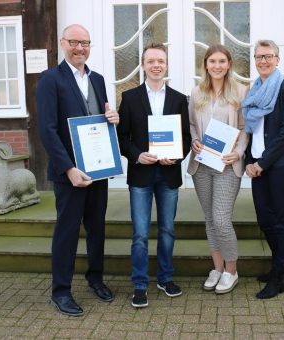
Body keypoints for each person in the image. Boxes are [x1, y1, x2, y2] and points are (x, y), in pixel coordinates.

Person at [36, 24, 119, 316]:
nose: (80, 48)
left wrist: (113, 117)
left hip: (97, 169)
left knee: (97, 228)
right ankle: (61, 292)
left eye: (85, 43)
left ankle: (95, 279)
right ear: (63, 43)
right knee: (68, 231)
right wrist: (69, 168)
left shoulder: (97, 79)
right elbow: (46, 130)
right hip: (69, 174)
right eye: (74, 42)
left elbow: (101, 118)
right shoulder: (50, 79)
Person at [117, 43, 191, 308]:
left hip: (169, 173)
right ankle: (139, 284)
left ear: (166, 64)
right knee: (139, 233)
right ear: (143, 65)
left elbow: (185, 137)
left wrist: (178, 156)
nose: (156, 65)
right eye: (151, 61)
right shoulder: (129, 97)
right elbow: (122, 137)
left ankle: (165, 277)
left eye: (160, 60)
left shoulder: (179, 98)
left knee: (167, 230)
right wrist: (137, 155)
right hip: (141, 174)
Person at [243, 40, 284, 299]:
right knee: (265, 221)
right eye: (258, 57)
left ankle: (278, 276)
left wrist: (261, 163)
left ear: (277, 60)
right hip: (258, 166)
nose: (263, 61)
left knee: (281, 222)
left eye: (268, 56)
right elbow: (250, 130)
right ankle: (282, 266)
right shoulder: (253, 92)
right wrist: (248, 160)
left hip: (282, 166)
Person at [187, 45, 248, 294]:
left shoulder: (241, 92)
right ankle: (217, 267)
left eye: (222, 61)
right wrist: (194, 140)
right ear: (206, 64)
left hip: (226, 164)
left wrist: (239, 152)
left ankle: (231, 271)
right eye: (212, 61)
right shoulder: (196, 92)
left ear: (229, 64)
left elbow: (245, 127)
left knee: (222, 219)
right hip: (202, 164)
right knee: (210, 220)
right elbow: (191, 124)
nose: (217, 66)